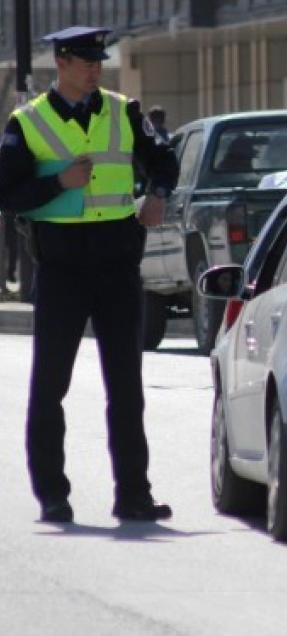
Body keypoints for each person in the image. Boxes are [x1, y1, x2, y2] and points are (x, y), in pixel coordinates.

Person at [0, 26, 179, 523]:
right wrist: (58, 181)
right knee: (49, 386)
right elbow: (7, 194)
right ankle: (52, 495)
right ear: (60, 61)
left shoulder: (123, 110)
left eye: (99, 60)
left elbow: (163, 156)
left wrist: (158, 194)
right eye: (85, 61)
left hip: (118, 262)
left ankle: (133, 494)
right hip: (61, 268)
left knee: (126, 386)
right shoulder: (28, 122)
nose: (96, 68)